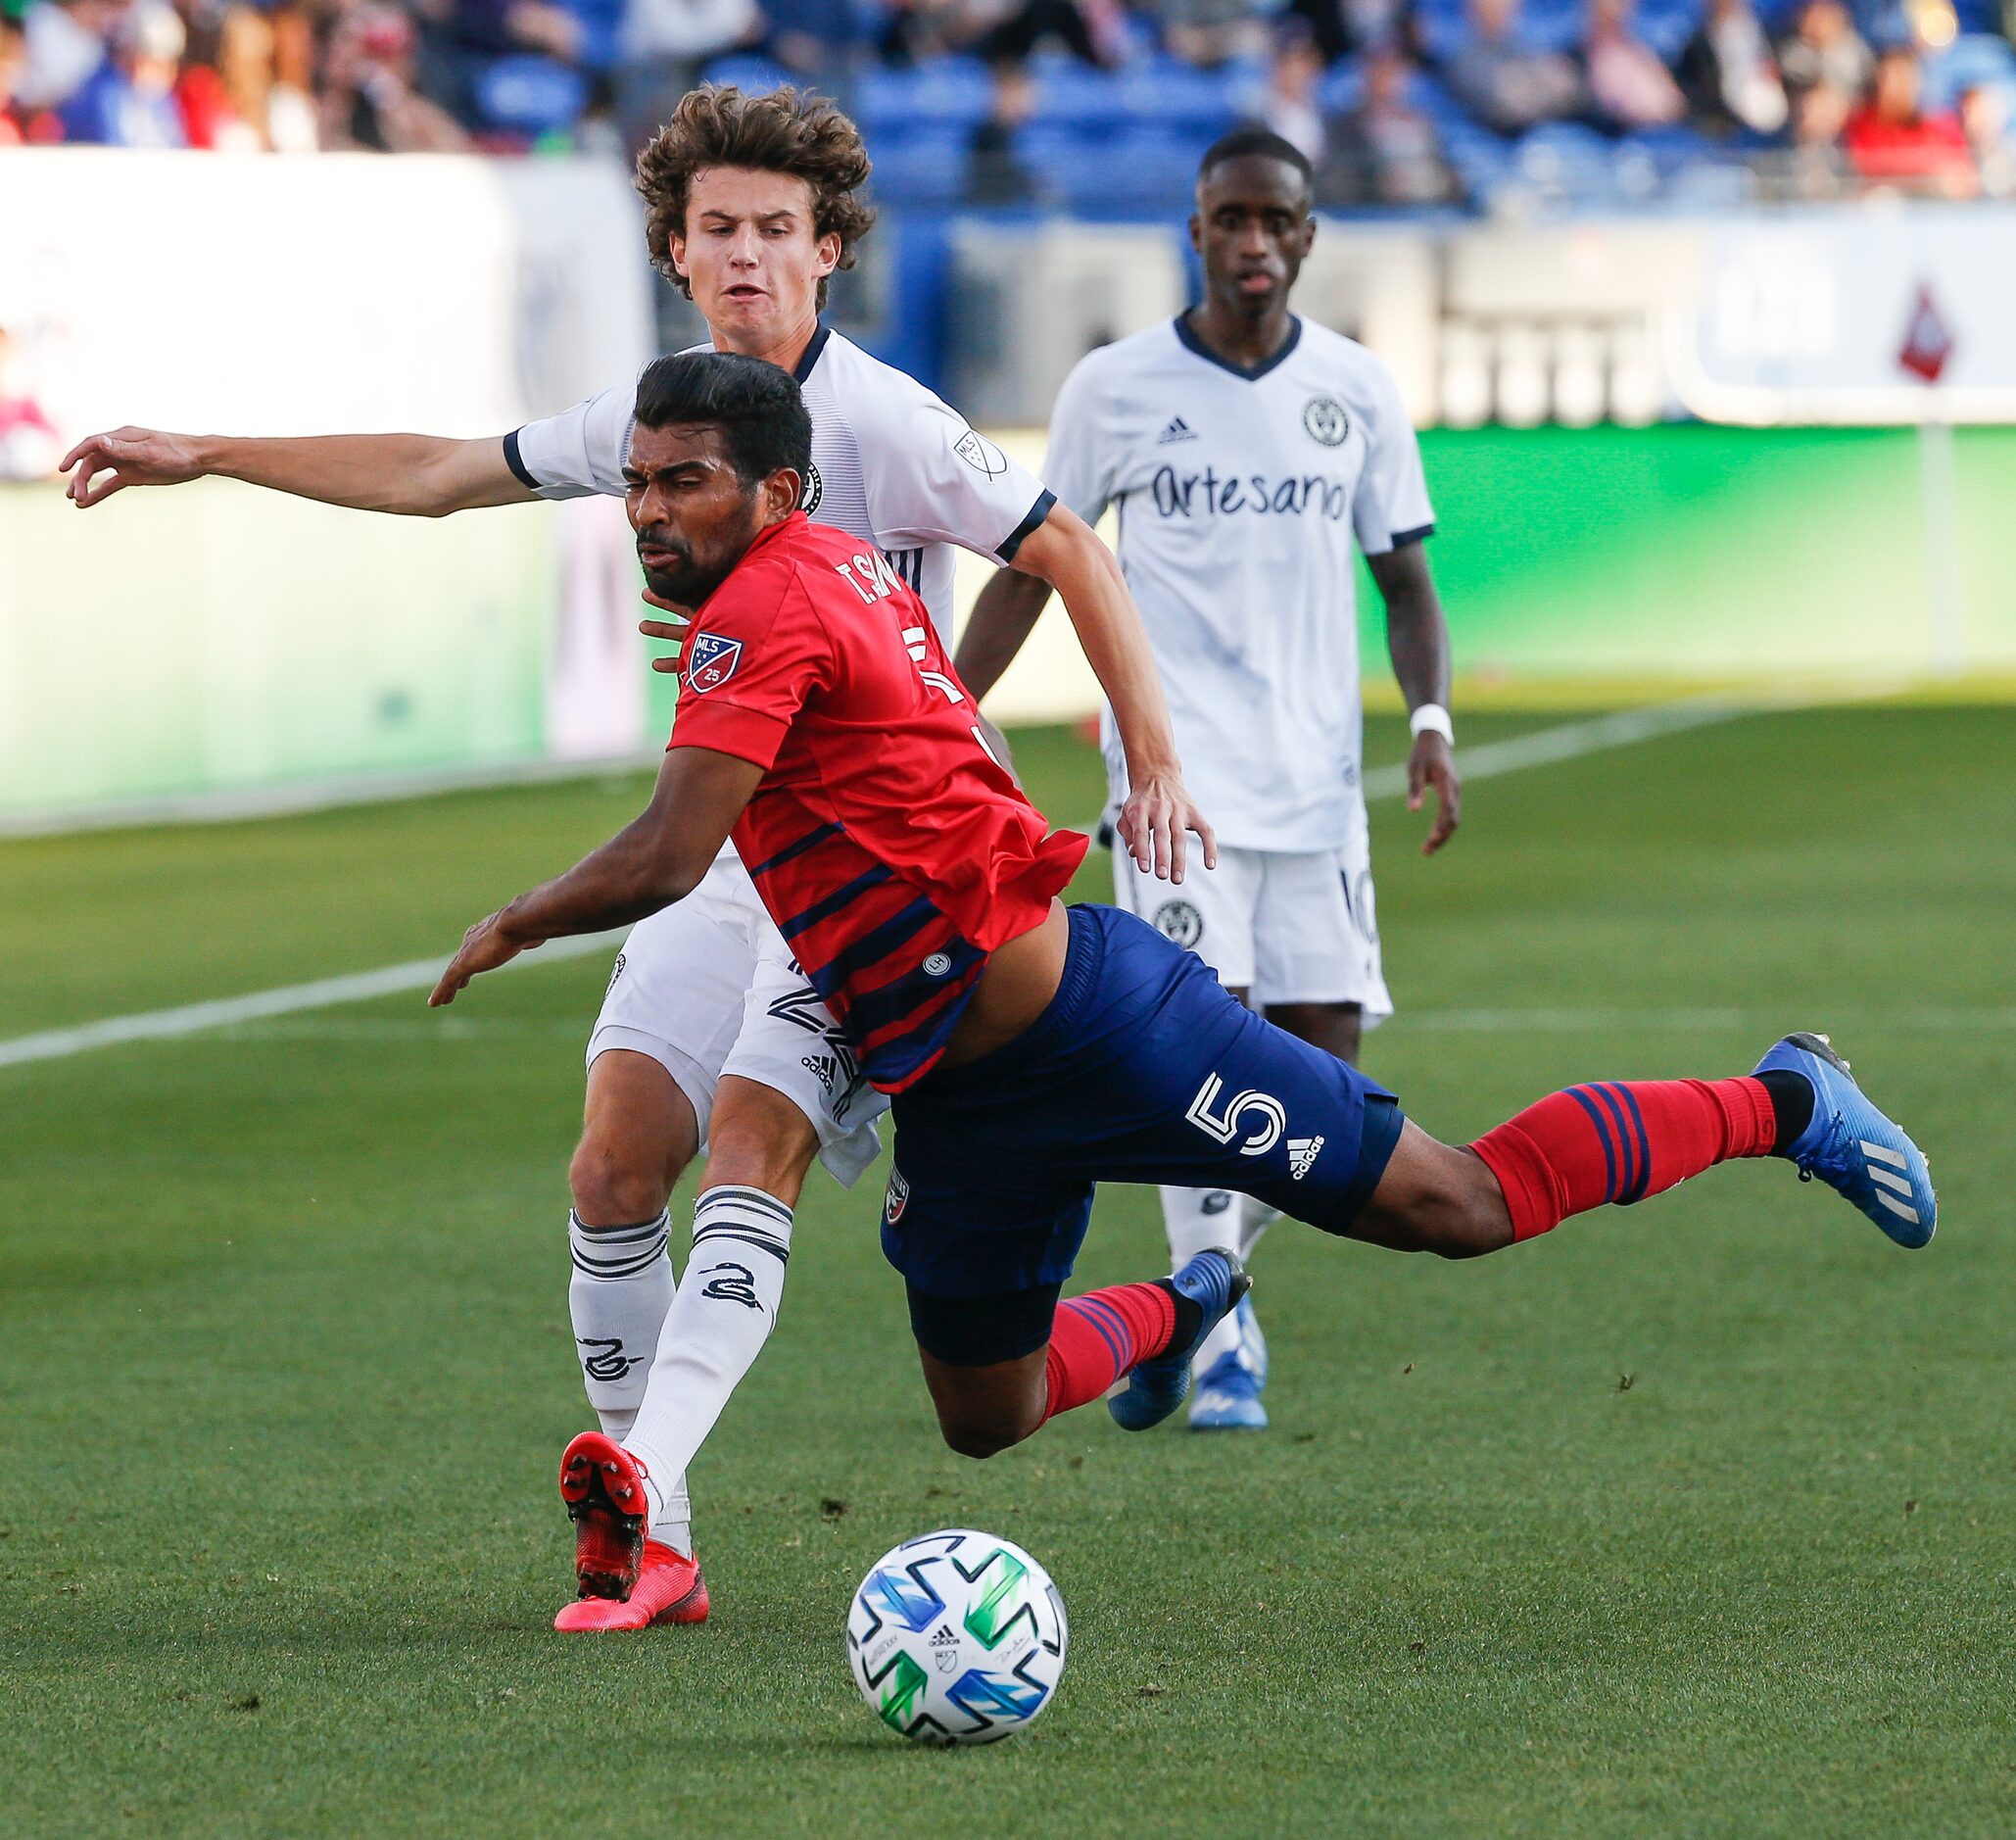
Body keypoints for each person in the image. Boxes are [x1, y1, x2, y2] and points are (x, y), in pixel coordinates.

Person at [430, 350, 1936, 1601]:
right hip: (954, 1104)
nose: (643, 507)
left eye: (678, 478)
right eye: (631, 479)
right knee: (986, 1417)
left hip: (1102, 1027)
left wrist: (515, 915)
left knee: (1455, 1206)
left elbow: (668, 851)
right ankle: (1192, 1290)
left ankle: (1781, 1096)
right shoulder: (808, 573)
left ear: (778, 489)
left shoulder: (769, 602)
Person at [59, 84, 1206, 1634]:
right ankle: (657, 1535)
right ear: (676, 251)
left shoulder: (880, 416)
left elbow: (1061, 545)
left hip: (872, 876)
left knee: (756, 1145)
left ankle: (651, 1495)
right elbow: (437, 469)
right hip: (731, 856)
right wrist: (204, 447)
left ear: (828, 253)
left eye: (776, 231)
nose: (747, 256)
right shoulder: (655, 424)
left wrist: (1145, 753)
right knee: (611, 1160)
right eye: (718, 229)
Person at [955, 128, 1459, 1430]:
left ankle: (1192, 1297)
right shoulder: (1114, 387)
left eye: (1270, 221)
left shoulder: (1356, 388)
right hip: (1177, 784)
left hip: (1316, 787)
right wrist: (946, 702)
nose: (1247, 241)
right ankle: (1223, 1323)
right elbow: (1033, 562)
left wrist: (1433, 719)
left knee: (1320, 1070)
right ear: (1196, 228)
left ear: (1303, 237)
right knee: (1197, 1047)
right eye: (1225, 218)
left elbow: (1402, 578)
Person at [1844, 45, 1976, 194]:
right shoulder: (1862, 124)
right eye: (1894, 77)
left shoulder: (1941, 125)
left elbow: (1964, 177)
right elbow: (1865, 171)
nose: (1901, 86)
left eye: (1906, 77)